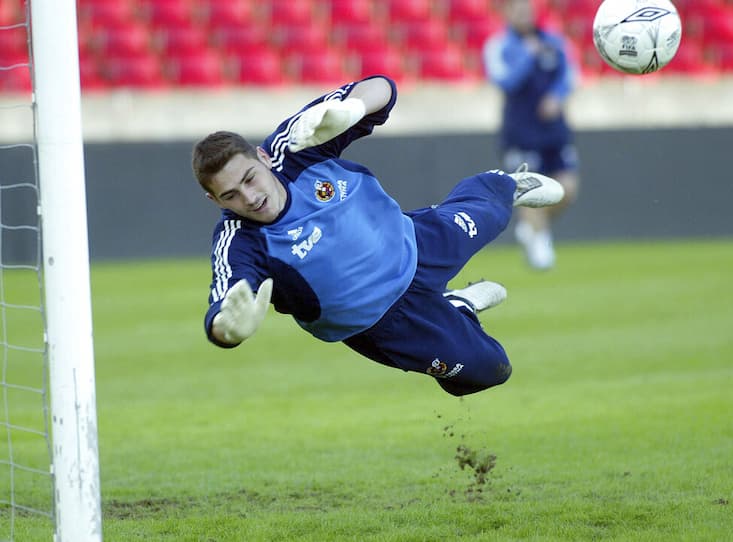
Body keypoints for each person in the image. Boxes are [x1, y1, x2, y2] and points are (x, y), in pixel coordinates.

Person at [191, 75, 564, 397]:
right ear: (214, 200)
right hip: (384, 323)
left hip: (414, 243)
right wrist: (228, 331)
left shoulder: (296, 144)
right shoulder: (239, 241)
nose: (249, 197)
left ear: (262, 157)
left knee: (493, 207)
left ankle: (505, 184)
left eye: (250, 179)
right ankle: (458, 307)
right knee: (491, 369)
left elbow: (382, 88)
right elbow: (222, 305)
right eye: (230, 195)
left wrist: (352, 109)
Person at [483, 0, 580, 270]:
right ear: (507, 13)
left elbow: (570, 75)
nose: (525, 15)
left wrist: (557, 96)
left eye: (528, 10)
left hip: (554, 130)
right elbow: (503, 81)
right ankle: (540, 244)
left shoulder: (554, 41)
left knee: (568, 189)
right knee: (529, 191)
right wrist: (527, 56)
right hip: (521, 132)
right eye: (519, 11)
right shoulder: (499, 45)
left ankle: (534, 229)